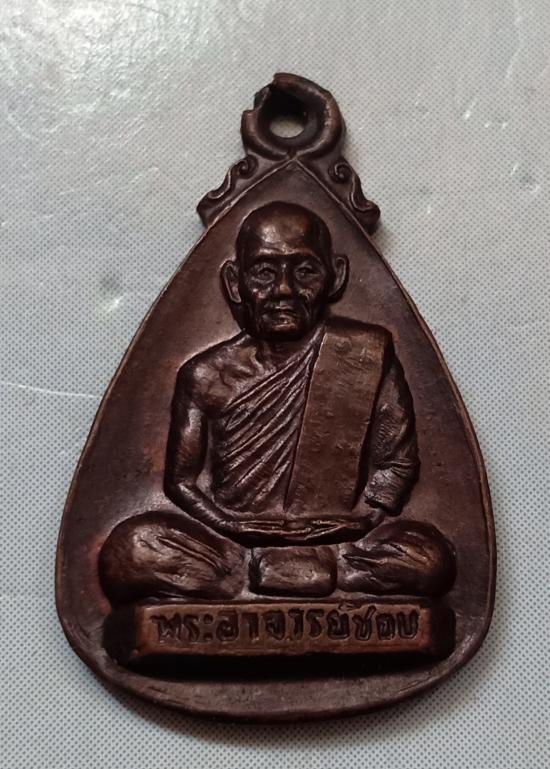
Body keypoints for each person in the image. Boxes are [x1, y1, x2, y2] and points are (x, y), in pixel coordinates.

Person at [100, 202, 454, 605]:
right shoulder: (205, 374)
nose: (284, 290)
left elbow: (396, 462)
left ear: (336, 276)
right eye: (264, 272)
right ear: (235, 282)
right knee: (132, 551)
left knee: (430, 560)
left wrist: (365, 517)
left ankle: (271, 579)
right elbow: (181, 482)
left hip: (338, 541)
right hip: (231, 542)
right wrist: (231, 525)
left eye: (305, 271)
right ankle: (267, 576)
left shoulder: (364, 353)